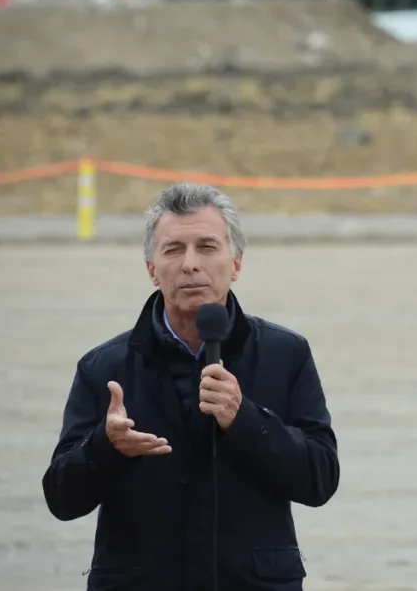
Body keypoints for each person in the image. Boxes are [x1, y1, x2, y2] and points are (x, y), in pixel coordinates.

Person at [41, 182, 340, 591]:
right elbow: (61, 500)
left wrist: (246, 420)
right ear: (151, 269)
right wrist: (104, 448)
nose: (190, 264)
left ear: (236, 263)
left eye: (207, 247)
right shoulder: (105, 367)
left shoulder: (284, 354)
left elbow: (319, 480)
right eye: (173, 250)